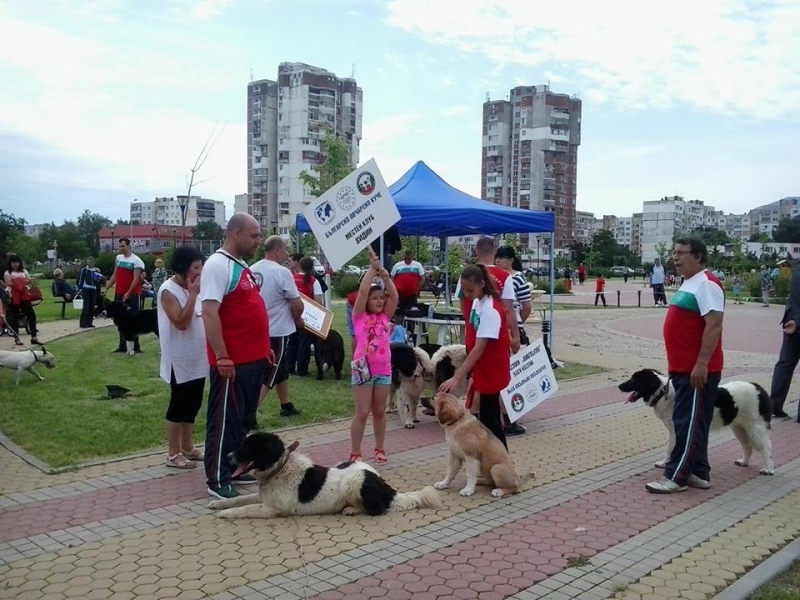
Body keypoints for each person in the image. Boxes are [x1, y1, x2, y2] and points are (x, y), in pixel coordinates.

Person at [200, 213, 273, 500]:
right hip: (232, 362)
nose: (258, 241)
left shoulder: (240, 265)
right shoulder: (218, 265)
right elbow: (209, 311)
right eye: (254, 236)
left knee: (242, 419)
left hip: (252, 359)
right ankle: (217, 479)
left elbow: (247, 308)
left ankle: (233, 468)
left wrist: (263, 347)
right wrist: (222, 356)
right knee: (224, 421)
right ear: (236, 233)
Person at [646, 237, 724, 494]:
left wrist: (701, 364)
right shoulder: (690, 283)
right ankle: (698, 472)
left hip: (697, 370)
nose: (675, 257)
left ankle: (676, 476)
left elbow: (714, 325)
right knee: (695, 422)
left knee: (686, 422)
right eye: (674, 253)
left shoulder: (708, 284)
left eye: (682, 253)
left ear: (699, 256)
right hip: (683, 367)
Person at [440, 264, 512, 449]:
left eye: (470, 289)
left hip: (492, 369)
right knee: (490, 417)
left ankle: (502, 462)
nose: (467, 293)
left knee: (490, 420)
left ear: (482, 284)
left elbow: (480, 348)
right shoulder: (477, 301)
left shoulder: (491, 309)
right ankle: (499, 462)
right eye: (464, 290)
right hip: (483, 367)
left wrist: (457, 378)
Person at [157, 246, 207, 469]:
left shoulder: (195, 286)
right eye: (196, 267)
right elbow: (181, 323)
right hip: (180, 359)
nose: (200, 271)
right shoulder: (169, 291)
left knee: (193, 404)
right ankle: (173, 452)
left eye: (201, 266)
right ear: (183, 267)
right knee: (178, 405)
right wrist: (194, 294)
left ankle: (188, 446)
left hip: (198, 357)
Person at [349, 253, 398, 464]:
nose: (379, 301)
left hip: (383, 370)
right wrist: (372, 270)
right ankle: (355, 452)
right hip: (362, 368)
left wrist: (386, 278)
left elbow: (394, 297)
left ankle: (379, 448)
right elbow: (361, 291)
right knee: (362, 412)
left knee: (379, 411)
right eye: (374, 298)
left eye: (381, 298)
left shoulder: (385, 317)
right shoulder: (359, 317)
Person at [251, 236, 304, 419]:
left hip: (258, 329)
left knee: (280, 371)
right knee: (270, 374)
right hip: (277, 330)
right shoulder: (282, 272)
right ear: (278, 250)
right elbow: (297, 304)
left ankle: (286, 405)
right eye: (286, 249)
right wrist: (298, 319)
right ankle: (249, 415)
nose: (287, 253)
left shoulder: (252, 269)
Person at [495, 246, 531, 436]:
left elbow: (526, 306)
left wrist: (517, 326)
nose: (498, 261)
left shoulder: (517, 278)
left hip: (512, 331)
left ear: (511, 259)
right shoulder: (497, 277)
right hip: (500, 331)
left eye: (501, 258)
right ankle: (504, 415)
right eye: (496, 257)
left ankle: (510, 415)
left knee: (513, 375)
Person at [769, 260, 800, 420]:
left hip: (791, 319)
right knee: (784, 364)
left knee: (785, 364)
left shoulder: (798, 267)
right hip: (796, 322)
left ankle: (774, 405)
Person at [286, 257, 324, 377]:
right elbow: (318, 303)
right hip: (307, 318)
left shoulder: (291, 279)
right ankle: (302, 369)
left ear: (299, 265)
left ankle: (289, 367)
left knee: (292, 342)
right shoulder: (314, 282)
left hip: (291, 315)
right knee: (304, 343)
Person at [106, 237, 145, 353]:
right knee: (119, 320)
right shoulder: (118, 258)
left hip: (132, 294)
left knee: (133, 319)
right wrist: (107, 287)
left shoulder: (136, 260)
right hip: (119, 292)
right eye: (120, 246)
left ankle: (135, 346)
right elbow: (115, 275)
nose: (121, 248)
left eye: (123, 246)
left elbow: (136, 278)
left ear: (129, 246)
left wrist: (129, 292)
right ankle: (122, 345)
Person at [3, 254, 40, 346]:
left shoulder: (23, 271)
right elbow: (9, 283)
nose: (16, 264)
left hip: (24, 295)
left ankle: (34, 337)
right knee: (14, 317)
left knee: (31, 315)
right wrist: (22, 282)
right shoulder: (8, 272)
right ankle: (16, 338)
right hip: (13, 296)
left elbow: (29, 280)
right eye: (14, 262)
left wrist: (18, 282)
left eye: (17, 262)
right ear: (10, 263)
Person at [391, 250, 425, 314]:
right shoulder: (397, 265)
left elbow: (423, 279)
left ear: (412, 257)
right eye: (405, 258)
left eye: (409, 259)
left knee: (411, 312)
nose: (407, 260)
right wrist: (394, 290)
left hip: (412, 294)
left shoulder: (417, 265)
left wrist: (417, 289)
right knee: (400, 312)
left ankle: (410, 324)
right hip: (400, 294)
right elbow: (392, 278)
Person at [76, 257, 99, 328]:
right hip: (86, 288)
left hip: (93, 289)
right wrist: (80, 289)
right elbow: (81, 279)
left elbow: (98, 281)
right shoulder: (84, 270)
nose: (90, 264)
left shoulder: (95, 271)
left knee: (92, 306)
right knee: (86, 306)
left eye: (91, 262)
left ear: (93, 263)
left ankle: (90, 322)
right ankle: (83, 323)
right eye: (89, 262)